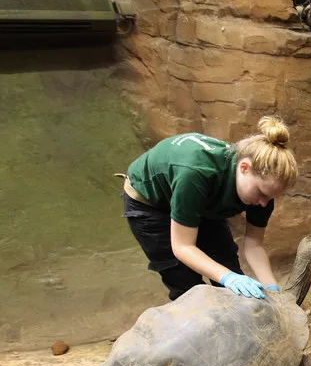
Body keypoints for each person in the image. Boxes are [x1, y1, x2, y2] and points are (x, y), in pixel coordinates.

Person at [121, 115, 299, 301]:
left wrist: (271, 288)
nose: (264, 203)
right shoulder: (197, 174)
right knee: (188, 285)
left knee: (227, 266)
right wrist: (229, 278)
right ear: (244, 168)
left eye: (270, 197)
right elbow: (183, 247)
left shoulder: (262, 193)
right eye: (262, 194)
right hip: (151, 202)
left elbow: (254, 244)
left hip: (200, 200)